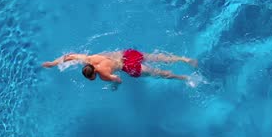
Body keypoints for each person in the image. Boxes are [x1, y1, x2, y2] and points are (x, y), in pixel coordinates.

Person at [41, 48, 198, 86]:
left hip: (128, 67)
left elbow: (118, 80)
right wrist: (53, 63)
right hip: (125, 55)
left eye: (92, 78)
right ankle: (183, 59)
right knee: (156, 57)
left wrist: (113, 86)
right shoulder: (87, 58)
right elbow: (69, 56)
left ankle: (183, 78)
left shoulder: (103, 75)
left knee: (156, 73)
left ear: (93, 73)